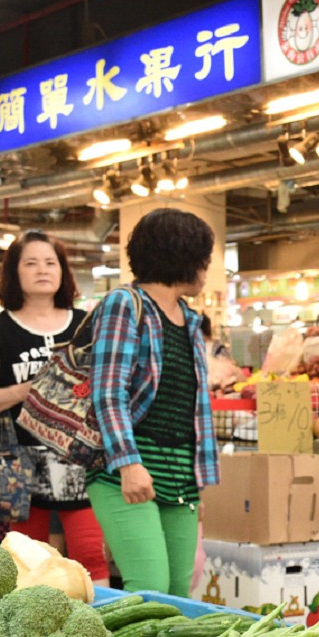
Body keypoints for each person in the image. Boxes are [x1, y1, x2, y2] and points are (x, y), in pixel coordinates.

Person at [87, 208, 220, 595]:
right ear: (183, 256)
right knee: (150, 590)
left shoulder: (189, 321)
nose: (206, 270)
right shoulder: (126, 304)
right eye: (204, 260)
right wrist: (129, 464)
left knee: (180, 594)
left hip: (179, 473)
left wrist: (198, 483)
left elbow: (190, 408)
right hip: (124, 468)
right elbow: (107, 392)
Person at [0, 230, 109, 581]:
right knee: (29, 562)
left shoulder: (88, 324)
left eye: (50, 262)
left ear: (63, 271)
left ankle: (103, 626)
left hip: (83, 464)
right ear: (14, 272)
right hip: (20, 467)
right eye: (31, 263)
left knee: (92, 554)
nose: (42, 270)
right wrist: (32, 389)